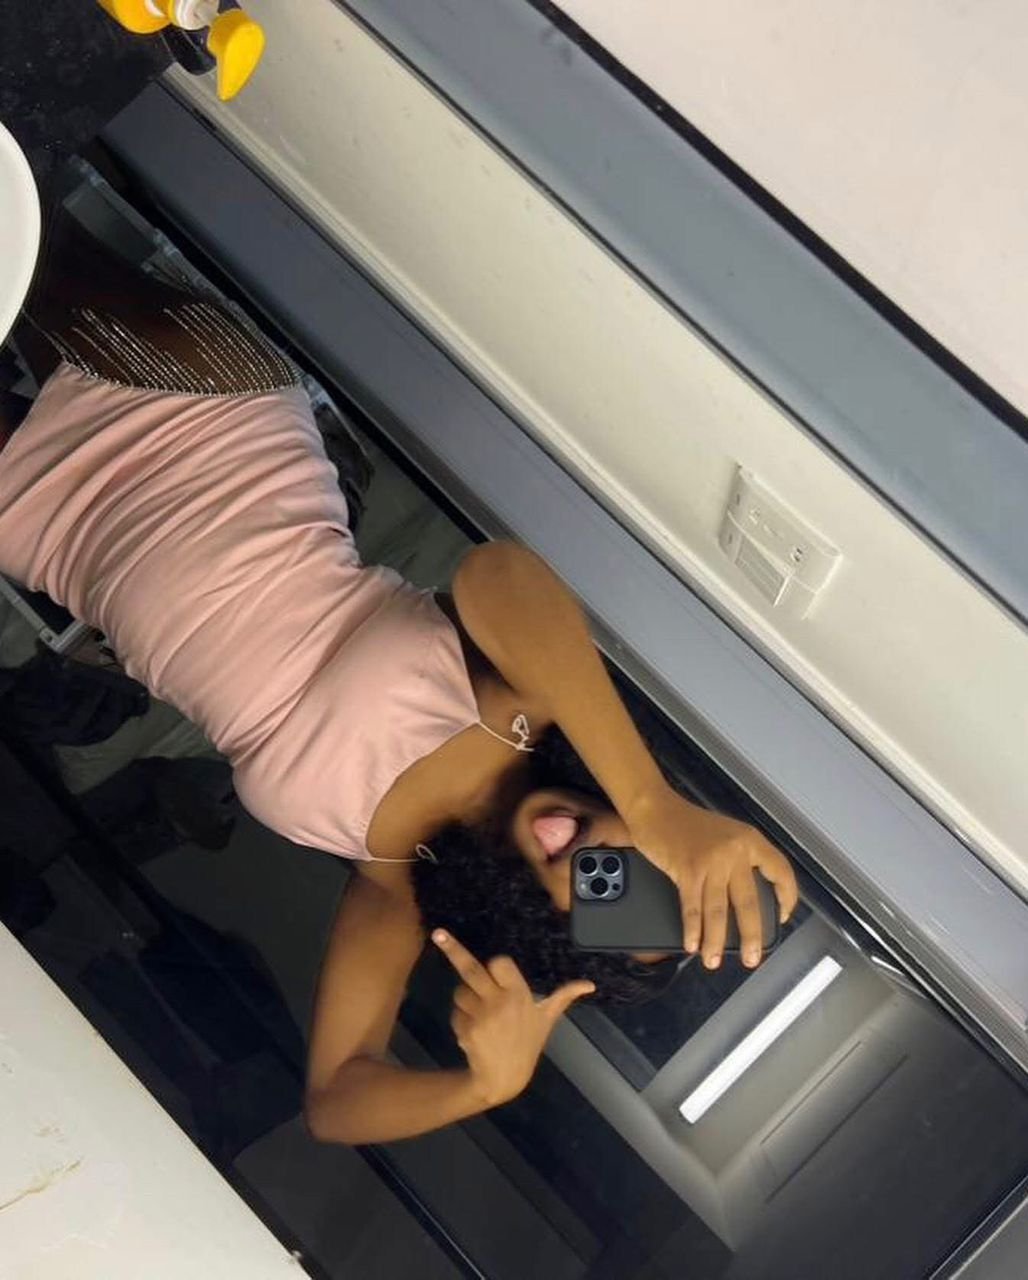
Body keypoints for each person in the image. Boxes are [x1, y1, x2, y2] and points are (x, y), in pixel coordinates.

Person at [0, 215, 798, 1144]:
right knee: (15, 223)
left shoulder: (400, 886)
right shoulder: (532, 711)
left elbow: (337, 1100)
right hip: (196, 412)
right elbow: (497, 574)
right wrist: (654, 802)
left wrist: (480, 1087)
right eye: (641, 868)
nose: (605, 865)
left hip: (62, 538)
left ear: (544, 937)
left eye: (605, 905)